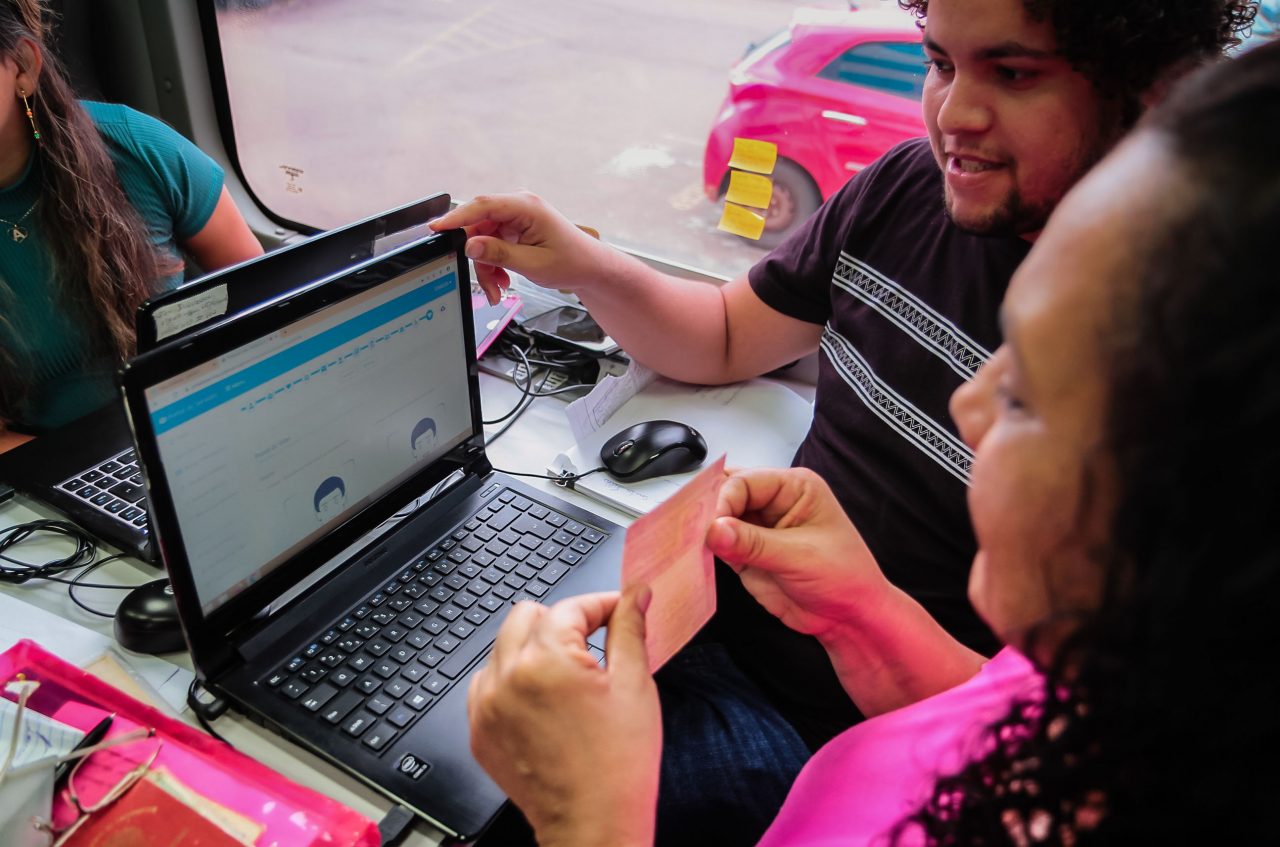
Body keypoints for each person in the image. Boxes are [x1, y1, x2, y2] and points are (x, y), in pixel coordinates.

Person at [436, 0, 1256, 841]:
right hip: (729, 620)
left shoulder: (1182, 347)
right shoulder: (907, 193)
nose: (953, 115)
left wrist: (591, 816)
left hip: (824, 725)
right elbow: (726, 334)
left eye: (1012, 74)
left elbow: (1024, 738)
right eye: (939, 63)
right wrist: (589, 266)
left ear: (1152, 91)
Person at [0, 0, 262, 450]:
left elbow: (260, 290)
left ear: (23, 66)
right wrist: (85, 480)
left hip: (198, 421)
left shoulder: (133, 146)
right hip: (46, 463)